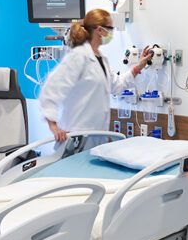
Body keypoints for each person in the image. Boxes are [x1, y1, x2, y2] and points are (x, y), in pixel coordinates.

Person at [38, 8, 152, 145]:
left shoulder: (101, 59)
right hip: (76, 136)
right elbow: (51, 89)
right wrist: (54, 126)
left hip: (96, 136)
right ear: (99, 30)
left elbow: (117, 86)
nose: (111, 33)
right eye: (110, 28)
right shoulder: (78, 56)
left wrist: (139, 65)